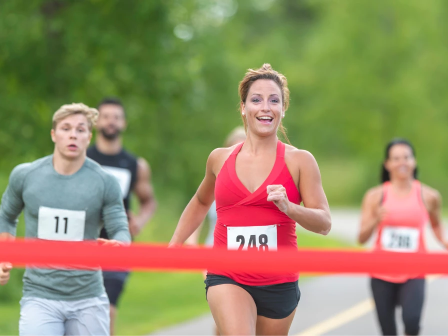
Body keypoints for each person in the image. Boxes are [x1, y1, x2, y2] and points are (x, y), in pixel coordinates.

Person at [170, 63, 331, 336]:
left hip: (279, 282)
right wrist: (174, 245)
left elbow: (324, 223)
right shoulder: (219, 159)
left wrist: (290, 208)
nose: (265, 107)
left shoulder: (300, 161)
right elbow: (200, 201)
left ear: (283, 109)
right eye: (256, 100)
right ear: (243, 108)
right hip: (227, 275)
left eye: (274, 100)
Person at [0, 103, 131, 335]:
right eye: (66, 128)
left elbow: (120, 226)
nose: (73, 134)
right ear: (53, 134)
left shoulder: (104, 182)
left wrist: (119, 244)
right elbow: (6, 217)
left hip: (88, 297)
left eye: (80, 129)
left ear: (89, 137)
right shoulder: (26, 175)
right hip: (40, 296)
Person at [358, 138, 448, 336]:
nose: (402, 162)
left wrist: (443, 241)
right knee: (388, 330)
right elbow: (361, 238)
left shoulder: (429, 196)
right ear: (387, 164)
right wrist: (375, 220)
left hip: (415, 270)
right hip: (381, 272)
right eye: (396, 158)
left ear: (414, 161)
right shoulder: (375, 196)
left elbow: (436, 223)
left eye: (406, 157)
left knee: (412, 322)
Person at [87, 97, 157, 335]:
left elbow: (149, 202)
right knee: (81, 308)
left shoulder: (134, 164)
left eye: (116, 117)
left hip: (118, 243)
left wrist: (139, 221)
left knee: (108, 307)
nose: (111, 122)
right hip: (83, 242)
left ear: (124, 123)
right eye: (106, 116)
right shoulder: (82, 159)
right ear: (97, 122)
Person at [187, 126, 247, 248]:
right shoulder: (216, 181)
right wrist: (191, 240)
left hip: (249, 259)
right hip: (213, 257)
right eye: (234, 150)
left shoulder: (262, 183)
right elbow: (198, 208)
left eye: (242, 150)